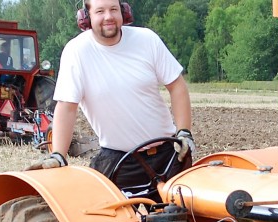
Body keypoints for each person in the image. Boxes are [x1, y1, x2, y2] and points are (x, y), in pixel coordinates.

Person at [26, 0, 194, 201]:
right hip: (118, 159)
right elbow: (67, 107)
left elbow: (177, 86)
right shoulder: (77, 52)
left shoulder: (147, 40)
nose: (108, 17)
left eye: (114, 9)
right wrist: (58, 155)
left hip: (167, 156)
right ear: (86, 17)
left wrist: (184, 131)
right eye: (100, 11)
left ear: (123, 12)